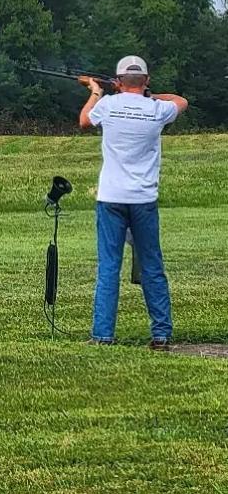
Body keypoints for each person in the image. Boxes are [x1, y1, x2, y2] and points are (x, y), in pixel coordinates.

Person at [79, 56, 188, 349]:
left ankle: (103, 335)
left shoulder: (108, 105)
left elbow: (84, 120)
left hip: (111, 197)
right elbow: (181, 101)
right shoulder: (157, 109)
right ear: (147, 81)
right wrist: (149, 95)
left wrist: (95, 90)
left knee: (108, 267)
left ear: (118, 81)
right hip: (144, 199)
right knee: (152, 266)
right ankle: (161, 334)